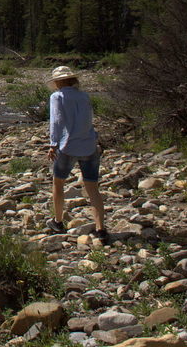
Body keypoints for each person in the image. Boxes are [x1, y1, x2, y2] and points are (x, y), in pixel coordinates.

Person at [44, 66, 108, 244]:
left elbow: (56, 120)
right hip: (89, 145)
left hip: (67, 146)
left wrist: (53, 144)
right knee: (93, 188)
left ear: (57, 81)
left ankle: (58, 221)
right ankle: (100, 229)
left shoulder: (57, 97)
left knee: (58, 183)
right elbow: (89, 119)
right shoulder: (84, 96)